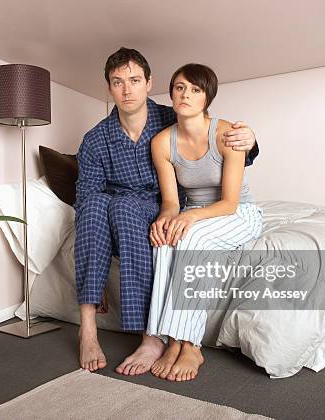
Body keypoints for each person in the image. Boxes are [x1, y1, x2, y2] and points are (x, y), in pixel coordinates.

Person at [74, 48, 258, 375]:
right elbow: (87, 194)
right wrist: (98, 271)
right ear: (109, 88)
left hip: (157, 205)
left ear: (149, 83)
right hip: (133, 209)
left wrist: (251, 139)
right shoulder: (96, 139)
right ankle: (87, 328)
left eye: (134, 80)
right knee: (92, 207)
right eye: (118, 82)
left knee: (126, 208)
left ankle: (165, 339)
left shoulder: (170, 117)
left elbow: (212, 138)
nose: (127, 89)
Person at [146, 63, 264, 382]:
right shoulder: (161, 143)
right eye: (180, 87)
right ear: (171, 93)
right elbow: (171, 201)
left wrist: (190, 216)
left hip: (237, 213)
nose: (186, 95)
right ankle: (168, 339)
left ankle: (190, 345)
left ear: (207, 97)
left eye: (195, 90)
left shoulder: (226, 133)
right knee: (164, 240)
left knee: (192, 239)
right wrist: (164, 220)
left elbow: (229, 202)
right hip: (194, 212)